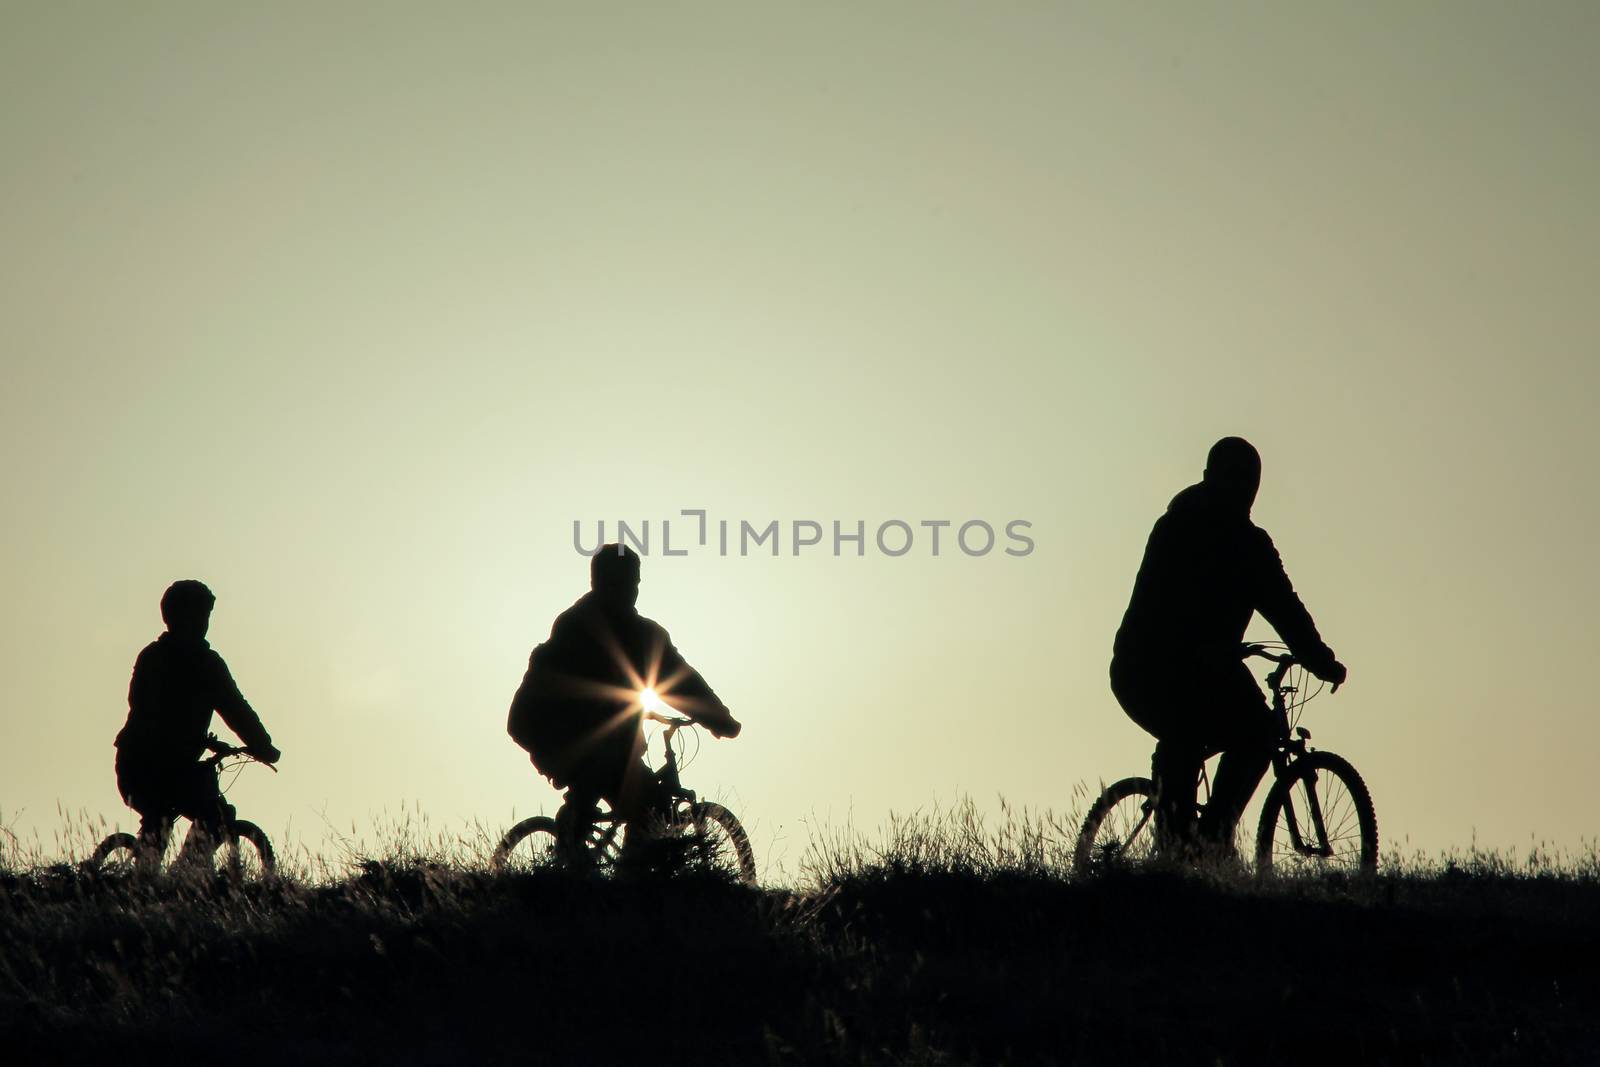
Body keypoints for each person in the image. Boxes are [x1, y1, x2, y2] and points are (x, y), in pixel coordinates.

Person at [1110, 437, 1347, 860]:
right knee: (1190, 736)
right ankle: (1179, 850)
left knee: (1254, 729)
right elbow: (1161, 602)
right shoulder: (1183, 529)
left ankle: (1211, 837)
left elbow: (1285, 608)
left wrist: (1319, 659)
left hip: (1196, 666)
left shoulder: (1242, 542)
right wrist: (1320, 662)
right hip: (1148, 667)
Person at [507, 545, 740, 851]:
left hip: (595, 744)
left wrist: (718, 718)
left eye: (633, 583)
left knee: (632, 794)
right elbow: (571, 696)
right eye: (620, 583)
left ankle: (593, 843)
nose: (629, 592)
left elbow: (680, 680)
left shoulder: (641, 633)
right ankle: (604, 866)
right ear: (597, 584)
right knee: (644, 806)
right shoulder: (580, 628)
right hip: (556, 736)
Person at [114, 580, 282, 871]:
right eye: (200, 615)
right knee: (206, 815)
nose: (204, 623)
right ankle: (175, 879)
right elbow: (234, 708)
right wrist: (262, 746)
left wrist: (200, 741)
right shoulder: (204, 664)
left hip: (147, 764)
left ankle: (171, 878)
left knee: (183, 815)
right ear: (181, 617)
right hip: (151, 765)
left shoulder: (153, 656)